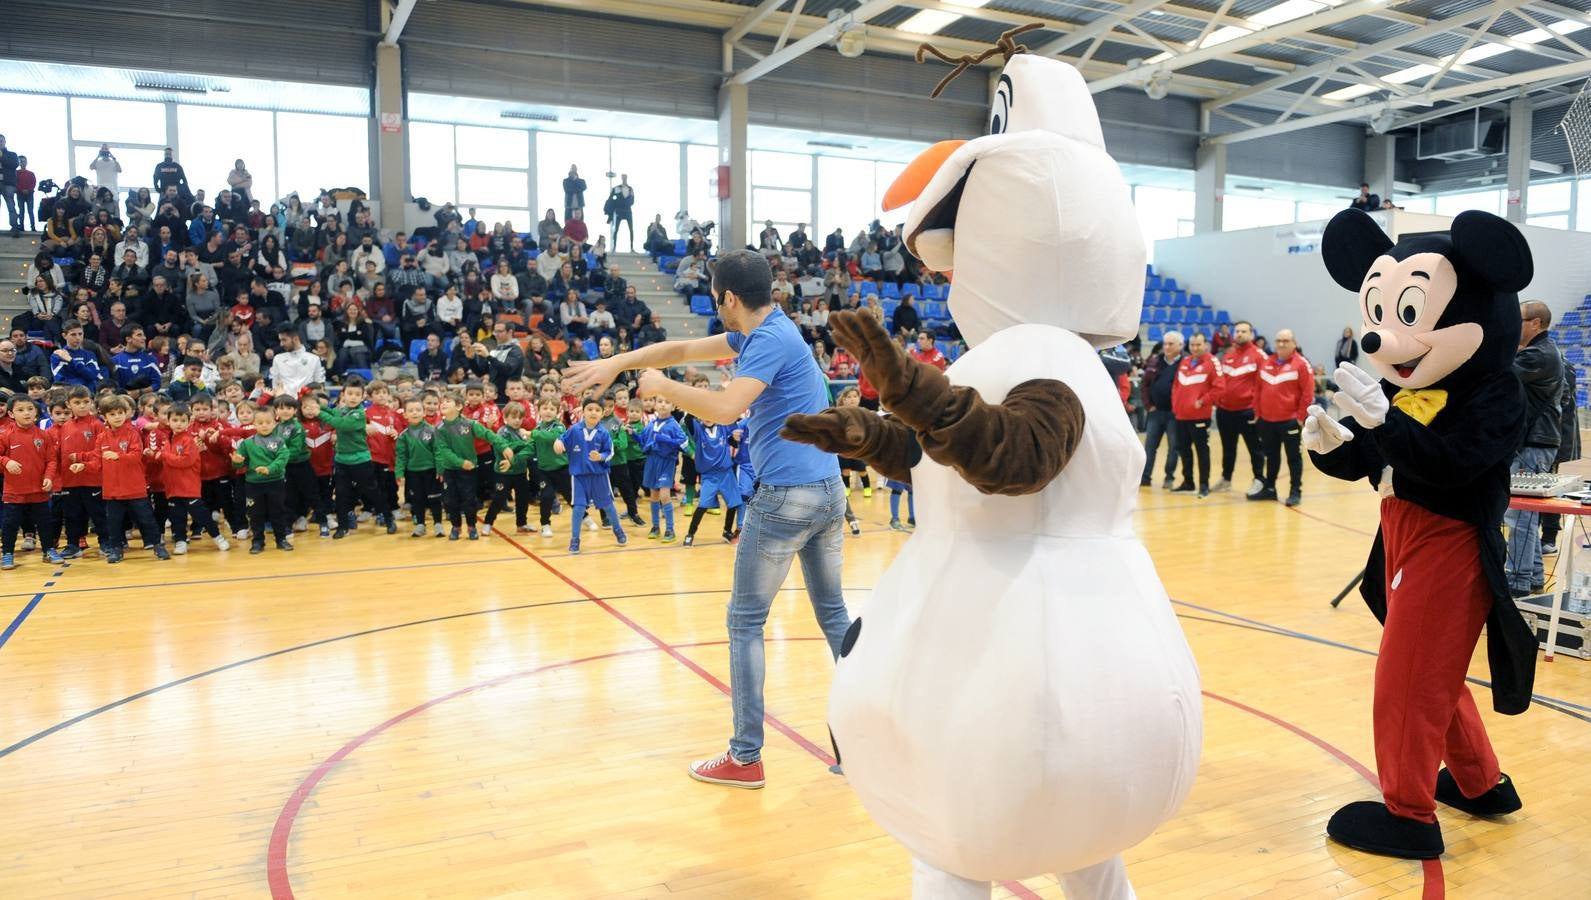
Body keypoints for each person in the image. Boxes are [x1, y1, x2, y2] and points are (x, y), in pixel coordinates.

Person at [562, 249, 848, 789]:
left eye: (717, 297)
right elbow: (680, 346)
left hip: (787, 497)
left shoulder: (766, 341)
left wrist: (664, 389)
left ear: (729, 299)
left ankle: (745, 757)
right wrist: (618, 363)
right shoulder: (774, 328)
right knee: (833, 617)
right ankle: (867, 740)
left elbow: (724, 408)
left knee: (744, 623)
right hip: (827, 493)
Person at [1504, 300, 1563, 597]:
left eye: (1520, 319)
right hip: (1535, 442)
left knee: (1520, 515)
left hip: (1535, 444)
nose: (1516, 325)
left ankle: (1517, 580)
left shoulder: (1539, 354)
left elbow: (1502, 371)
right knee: (1524, 514)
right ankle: (1534, 576)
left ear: (1536, 323)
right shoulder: (1540, 351)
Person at [317, 377, 395, 538]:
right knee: (341, 494)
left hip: (361, 461)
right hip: (342, 461)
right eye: (349, 393)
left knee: (373, 492)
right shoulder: (341, 410)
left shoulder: (359, 414)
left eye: (357, 394)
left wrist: (319, 412)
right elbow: (332, 412)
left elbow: (341, 424)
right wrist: (317, 406)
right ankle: (343, 526)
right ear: (343, 395)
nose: (353, 397)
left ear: (362, 397)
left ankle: (388, 518)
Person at [97, 394, 171, 564]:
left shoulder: (133, 433)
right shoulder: (102, 437)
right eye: (112, 414)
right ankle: (116, 548)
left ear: (127, 414)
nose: (117, 417)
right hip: (112, 490)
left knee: (146, 519)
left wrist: (117, 456)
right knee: (114, 522)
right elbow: (96, 457)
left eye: (120, 413)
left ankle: (157, 546)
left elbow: (136, 455)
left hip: (135, 488)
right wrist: (82, 464)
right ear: (104, 417)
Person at [434, 392, 511, 540]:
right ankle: (456, 527)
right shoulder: (439, 429)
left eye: (448, 401)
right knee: (451, 501)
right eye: (442, 401)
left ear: (458, 406)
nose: (443, 404)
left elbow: (489, 435)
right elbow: (444, 451)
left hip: (469, 471)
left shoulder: (470, 424)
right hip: (451, 470)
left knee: (469, 499)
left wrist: (504, 446)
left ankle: (471, 526)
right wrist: (460, 462)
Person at [554, 398, 628, 553]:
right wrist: (558, 443)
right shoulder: (574, 430)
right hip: (579, 477)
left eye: (597, 410)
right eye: (590, 409)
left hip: (599, 476)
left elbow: (610, 452)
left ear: (602, 414)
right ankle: (575, 539)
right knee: (579, 508)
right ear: (583, 412)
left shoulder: (604, 433)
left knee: (608, 506)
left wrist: (600, 457)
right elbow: (561, 440)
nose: (593, 412)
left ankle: (618, 530)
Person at [1248, 328, 1312, 506]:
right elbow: (1258, 390)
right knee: (1271, 457)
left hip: (1290, 421)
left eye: (1285, 341)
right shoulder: (1266, 362)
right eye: (1278, 341)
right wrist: (1258, 414)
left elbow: (1307, 394)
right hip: (1266, 422)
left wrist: (1300, 418)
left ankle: (1295, 491)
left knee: (1293, 458)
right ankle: (1270, 489)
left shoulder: (1301, 364)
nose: (1281, 344)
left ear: (1294, 343)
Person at [160, 402, 230, 555]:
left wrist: (164, 456)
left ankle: (218, 537)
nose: (178, 424)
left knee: (202, 515)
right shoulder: (168, 439)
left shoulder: (189, 440)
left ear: (189, 421)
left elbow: (185, 461)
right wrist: (154, 455)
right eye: (175, 420)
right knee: (177, 517)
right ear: (169, 421)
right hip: (172, 488)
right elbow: (165, 460)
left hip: (188, 487)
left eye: (182, 420)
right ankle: (180, 541)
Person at [1, 394, 58, 570]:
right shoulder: (5, 436)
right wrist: (6, 462)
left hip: (39, 491)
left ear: (36, 411)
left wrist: (49, 477)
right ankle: (8, 553)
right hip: (14, 491)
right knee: (10, 524)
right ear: (11, 414)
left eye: (30, 409)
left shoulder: (44, 435)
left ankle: (48, 551)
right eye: (20, 410)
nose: (26, 413)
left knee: (44, 523)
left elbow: (51, 460)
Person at [231, 404, 294, 554]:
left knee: (277, 511)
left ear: (275, 423)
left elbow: (282, 459)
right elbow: (239, 463)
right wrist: (237, 461)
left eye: (268, 422)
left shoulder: (279, 442)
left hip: (275, 483)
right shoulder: (247, 443)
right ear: (254, 424)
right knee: (255, 514)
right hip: (253, 485)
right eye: (260, 423)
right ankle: (258, 541)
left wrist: (269, 469)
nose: (264, 426)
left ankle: (281, 539)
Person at [1212, 320, 1266, 494]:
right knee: (1228, 448)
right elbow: (1221, 382)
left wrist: (1259, 410)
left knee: (1255, 448)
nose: (1240, 334)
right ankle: (1226, 479)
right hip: (1225, 411)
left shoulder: (1259, 356)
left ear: (1251, 334)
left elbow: (1265, 385)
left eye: (1243, 331)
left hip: (1248, 411)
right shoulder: (1228, 356)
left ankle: (1259, 479)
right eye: (1237, 331)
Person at [1171, 332, 1222, 497]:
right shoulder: (1185, 361)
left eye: (1198, 345)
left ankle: (1204, 485)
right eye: (1192, 345)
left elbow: (1220, 388)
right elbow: (1177, 386)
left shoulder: (1212, 362)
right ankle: (1188, 482)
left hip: (1200, 417)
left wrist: (1202, 402)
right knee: (1184, 451)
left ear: (1205, 345)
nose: (1194, 348)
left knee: (1202, 452)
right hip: (1181, 416)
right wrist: (1176, 406)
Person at [1139, 330, 1183, 488]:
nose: (1167, 346)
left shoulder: (1184, 363)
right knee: (1149, 447)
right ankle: (1145, 478)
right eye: (1165, 343)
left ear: (1180, 345)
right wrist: (1148, 405)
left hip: (1174, 414)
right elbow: (1144, 385)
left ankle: (1169, 478)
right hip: (1155, 413)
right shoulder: (1154, 361)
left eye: (1171, 344)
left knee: (1174, 448)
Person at [606, 174, 635, 251]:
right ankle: (614, 247)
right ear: (621, 178)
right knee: (616, 229)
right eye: (623, 177)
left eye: (625, 177)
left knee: (631, 229)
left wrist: (627, 203)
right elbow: (611, 199)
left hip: (628, 210)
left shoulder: (630, 189)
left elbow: (633, 201)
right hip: (619, 210)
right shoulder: (617, 188)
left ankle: (632, 247)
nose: (624, 179)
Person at [14, 154, 36, 232]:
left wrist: (29, 190)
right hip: (20, 194)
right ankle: (21, 226)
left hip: (30, 194)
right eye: (20, 161)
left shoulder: (31, 173)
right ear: (18, 162)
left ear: (26, 162)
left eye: (24, 161)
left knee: (30, 211)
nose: (22, 163)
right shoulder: (16, 173)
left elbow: (33, 183)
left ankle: (33, 227)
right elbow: (15, 183)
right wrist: (21, 189)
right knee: (21, 210)